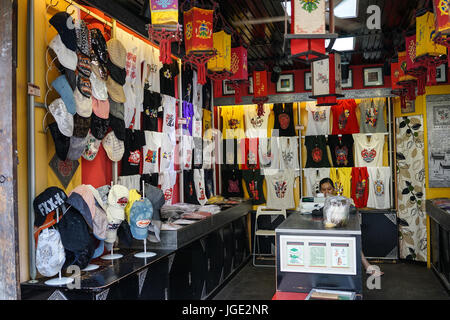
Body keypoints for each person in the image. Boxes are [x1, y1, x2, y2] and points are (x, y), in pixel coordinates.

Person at [319, 178, 384, 277]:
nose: (326, 192)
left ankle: (367, 267)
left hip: (338, 232)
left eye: (329, 189)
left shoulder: (340, 200)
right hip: (322, 234)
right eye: (323, 190)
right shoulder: (318, 202)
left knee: (353, 240)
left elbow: (353, 208)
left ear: (334, 190)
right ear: (320, 191)